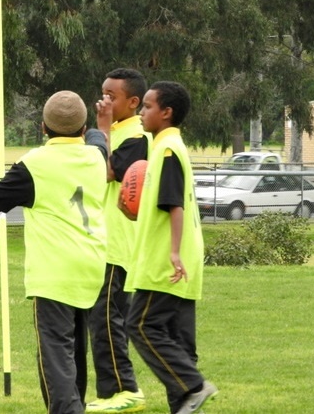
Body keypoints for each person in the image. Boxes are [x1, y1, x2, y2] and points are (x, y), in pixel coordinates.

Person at [0, 90, 112, 414]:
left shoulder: (35, 164)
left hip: (54, 273)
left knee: (55, 355)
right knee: (75, 352)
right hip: (91, 267)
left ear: (43, 128)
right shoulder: (95, 157)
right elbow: (98, 139)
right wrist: (99, 126)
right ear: (82, 127)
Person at [124, 82, 218, 414]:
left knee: (140, 325)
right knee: (178, 340)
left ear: (167, 113)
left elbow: (174, 205)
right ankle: (187, 401)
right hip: (181, 258)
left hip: (166, 260)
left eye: (147, 106)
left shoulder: (167, 150)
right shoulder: (167, 146)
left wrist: (174, 253)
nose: (140, 112)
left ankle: (193, 386)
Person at [86, 69, 151, 413]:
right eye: (102, 93)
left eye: (112, 96)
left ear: (133, 102)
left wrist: (103, 126)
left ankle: (124, 390)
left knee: (106, 318)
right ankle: (111, 390)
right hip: (98, 240)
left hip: (117, 244)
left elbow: (108, 171)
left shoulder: (136, 136)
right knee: (102, 319)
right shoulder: (110, 132)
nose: (104, 100)